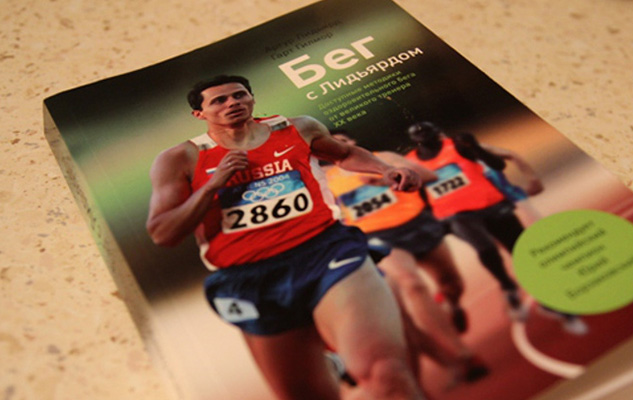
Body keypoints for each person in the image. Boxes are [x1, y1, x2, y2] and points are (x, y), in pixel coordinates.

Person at [146, 75, 426, 400]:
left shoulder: (297, 128)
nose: (232, 103)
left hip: (326, 250)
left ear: (252, 98)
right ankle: (329, 364)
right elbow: (164, 233)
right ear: (200, 114)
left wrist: (384, 169)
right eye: (219, 100)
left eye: (239, 95)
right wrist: (213, 184)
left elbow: (344, 154)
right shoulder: (180, 159)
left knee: (385, 373)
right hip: (251, 278)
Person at [324, 132, 488, 384]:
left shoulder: (383, 159)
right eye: (331, 144)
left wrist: (386, 180)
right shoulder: (324, 178)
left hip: (417, 224)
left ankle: (451, 304)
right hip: (377, 236)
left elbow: (430, 176)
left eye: (342, 141)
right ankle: (462, 354)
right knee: (412, 284)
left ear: (352, 143)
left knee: (451, 283)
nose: (337, 146)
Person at [405, 122, 587, 335]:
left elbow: (500, 162)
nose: (429, 140)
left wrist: (476, 148)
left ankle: (551, 302)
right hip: (457, 215)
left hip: (492, 205)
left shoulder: (459, 145)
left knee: (524, 252)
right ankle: (507, 286)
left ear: (438, 133)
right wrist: (432, 218)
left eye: (432, 134)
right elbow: (417, 195)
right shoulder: (409, 163)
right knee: (486, 249)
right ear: (416, 142)